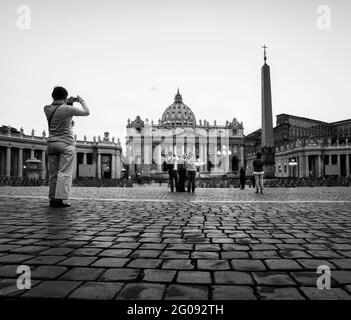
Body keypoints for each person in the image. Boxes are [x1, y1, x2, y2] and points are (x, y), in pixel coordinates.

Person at [44, 86, 90, 207]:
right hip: (66, 144)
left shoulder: (47, 109)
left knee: (53, 173)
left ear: (53, 96)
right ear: (65, 96)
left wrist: (66, 102)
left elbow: (59, 109)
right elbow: (87, 112)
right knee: (64, 172)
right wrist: (81, 101)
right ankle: (60, 199)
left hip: (51, 144)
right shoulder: (67, 109)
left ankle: (52, 199)